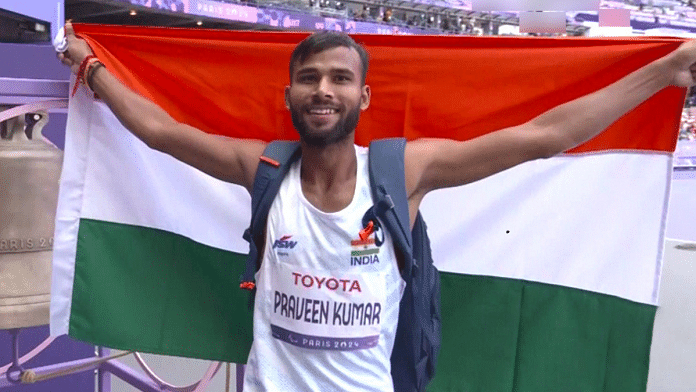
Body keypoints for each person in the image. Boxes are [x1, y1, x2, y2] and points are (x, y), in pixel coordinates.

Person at [58, 21, 696, 391]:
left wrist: (664, 73)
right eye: (309, 78)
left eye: (339, 79)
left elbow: (543, 138)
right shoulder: (264, 169)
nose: (323, 90)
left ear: (365, 98)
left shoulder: (404, 172)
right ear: (289, 95)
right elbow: (159, 132)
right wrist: (91, 71)